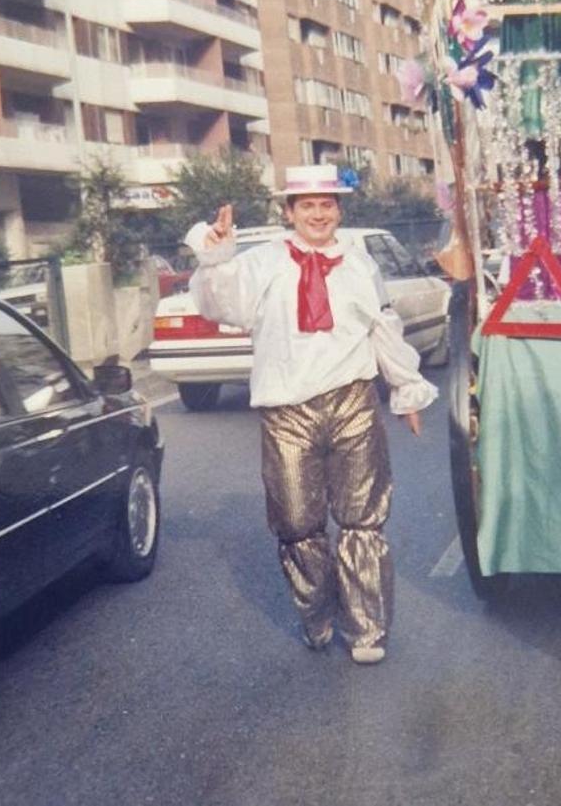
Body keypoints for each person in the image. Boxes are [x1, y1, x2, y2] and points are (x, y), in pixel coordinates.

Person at [184, 163, 437, 665]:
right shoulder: (261, 263)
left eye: (327, 205)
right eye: (307, 206)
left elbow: (382, 329)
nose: (318, 214)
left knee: (363, 519)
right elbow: (217, 304)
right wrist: (215, 255)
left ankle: (367, 629)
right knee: (298, 524)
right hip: (287, 410)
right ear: (289, 212)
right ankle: (318, 614)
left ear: (339, 210)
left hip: (353, 400)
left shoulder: (360, 263)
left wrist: (406, 388)